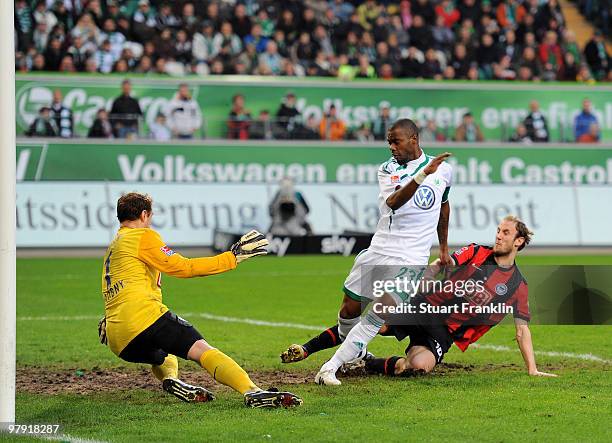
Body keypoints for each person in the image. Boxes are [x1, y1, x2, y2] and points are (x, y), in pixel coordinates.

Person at [280, 119, 453, 386]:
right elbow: (394, 202)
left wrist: (443, 247)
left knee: (376, 317)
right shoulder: (388, 169)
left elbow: (443, 205)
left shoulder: (444, 171)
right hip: (379, 250)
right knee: (349, 311)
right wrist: (422, 175)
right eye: (389, 142)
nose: (391, 147)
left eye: (396, 141)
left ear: (414, 139)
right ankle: (356, 355)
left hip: (410, 260)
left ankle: (331, 367)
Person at [98, 192, 302, 408]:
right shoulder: (142, 236)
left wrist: (111, 321)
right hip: (143, 318)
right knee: (202, 350)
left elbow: (113, 288)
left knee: (164, 356)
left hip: (119, 338)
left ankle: (171, 379)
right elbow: (184, 267)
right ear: (145, 214)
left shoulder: (115, 245)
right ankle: (252, 391)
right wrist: (231, 258)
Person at [362, 216, 557, 378]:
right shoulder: (476, 252)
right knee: (379, 325)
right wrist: (428, 275)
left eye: (505, 233)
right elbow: (444, 262)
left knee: (417, 367)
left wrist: (532, 369)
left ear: (519, 241)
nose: (498, 236)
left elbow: (522, 331)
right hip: (425, 306)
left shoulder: (518, 286)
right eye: (498, 230)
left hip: (444, 333)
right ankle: (342, 349)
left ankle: (369, 363)